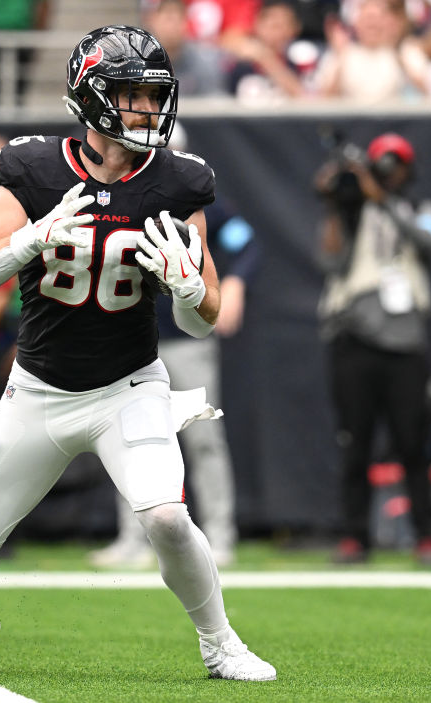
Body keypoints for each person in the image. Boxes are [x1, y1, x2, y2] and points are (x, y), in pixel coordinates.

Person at [0, 25, 276, 681]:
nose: (148, 111)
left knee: (165, 515)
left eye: (154, 97)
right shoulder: (36, 168)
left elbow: (205, 317)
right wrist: (29, 240)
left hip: (128, 387)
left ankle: (220, 641)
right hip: (37, 389)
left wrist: (186, 290)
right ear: (92, 97)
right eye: (132, 96)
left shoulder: (180, 181)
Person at [90, 125, 260, 569]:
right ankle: (133, 539)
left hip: (185, 340)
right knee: (124, 439)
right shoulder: (116, 197)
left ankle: (221, 535)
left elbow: (244, 242)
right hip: (132, 339)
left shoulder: (198, 204)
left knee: (204, 439)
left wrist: (235, 282)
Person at [314, 132, 431, 565]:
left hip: (405, 344)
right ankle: (355, 535)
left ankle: (426, 534)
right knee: (356, 442)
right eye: (381, 164)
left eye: (396, 164)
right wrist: (337, 201)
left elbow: (429, 241)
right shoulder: (352, 212)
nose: (389, 173)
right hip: (355, 342)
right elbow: (330, 263)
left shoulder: (424, 210)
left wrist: (381, 199)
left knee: (413, 441)